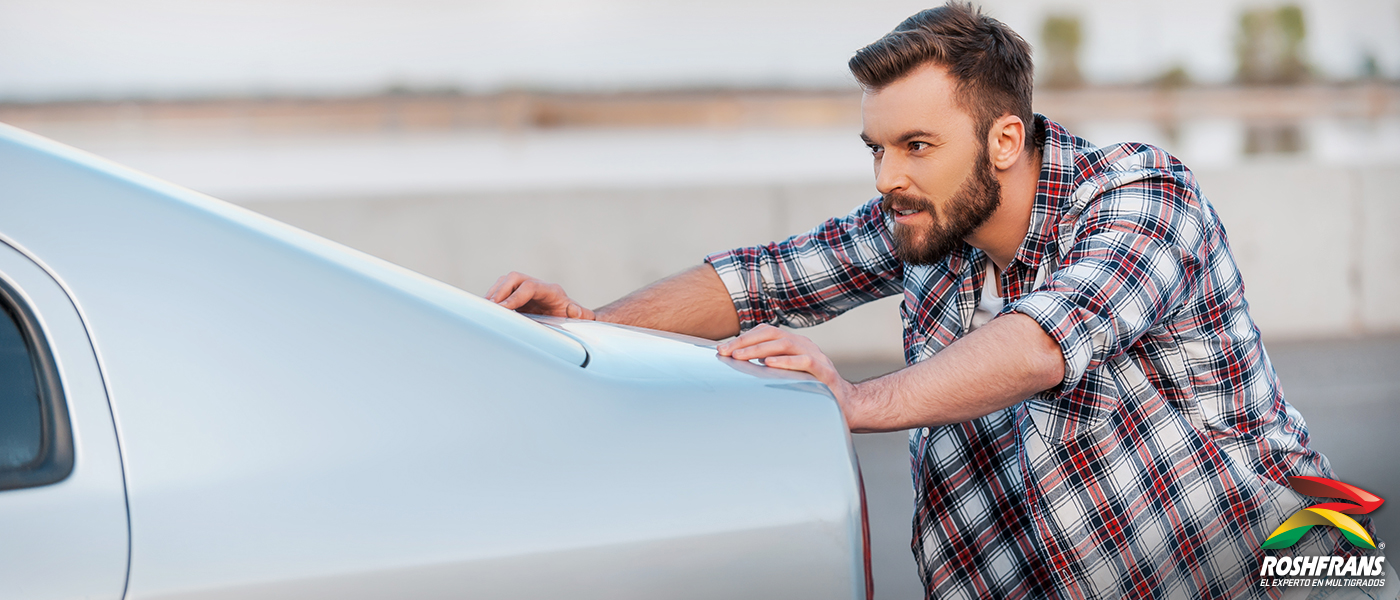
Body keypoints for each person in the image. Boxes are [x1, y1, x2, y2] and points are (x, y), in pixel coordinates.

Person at [487, 4, 1392, 599]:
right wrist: (589, 324)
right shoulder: (928, 225)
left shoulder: (1144, 197)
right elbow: (759, 279)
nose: (888, 177)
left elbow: (1041, 343)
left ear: (1005, 139)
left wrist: (858, 401)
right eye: (877, 147)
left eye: (917, 145)